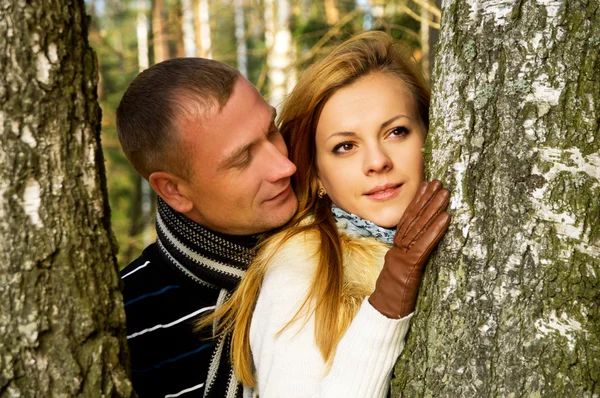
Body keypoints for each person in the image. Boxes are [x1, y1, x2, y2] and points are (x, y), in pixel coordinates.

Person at [208, 31, 451, 397]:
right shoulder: (302, 267)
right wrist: (388, 299)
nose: (377, 162)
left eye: (396, 131)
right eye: (345, 146)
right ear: (318, 174)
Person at [116, 58, 298, 397]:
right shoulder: (124, 320)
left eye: (272, 131)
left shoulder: (344, 232)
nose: (285, 166)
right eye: (243, 158)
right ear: (174, 190)